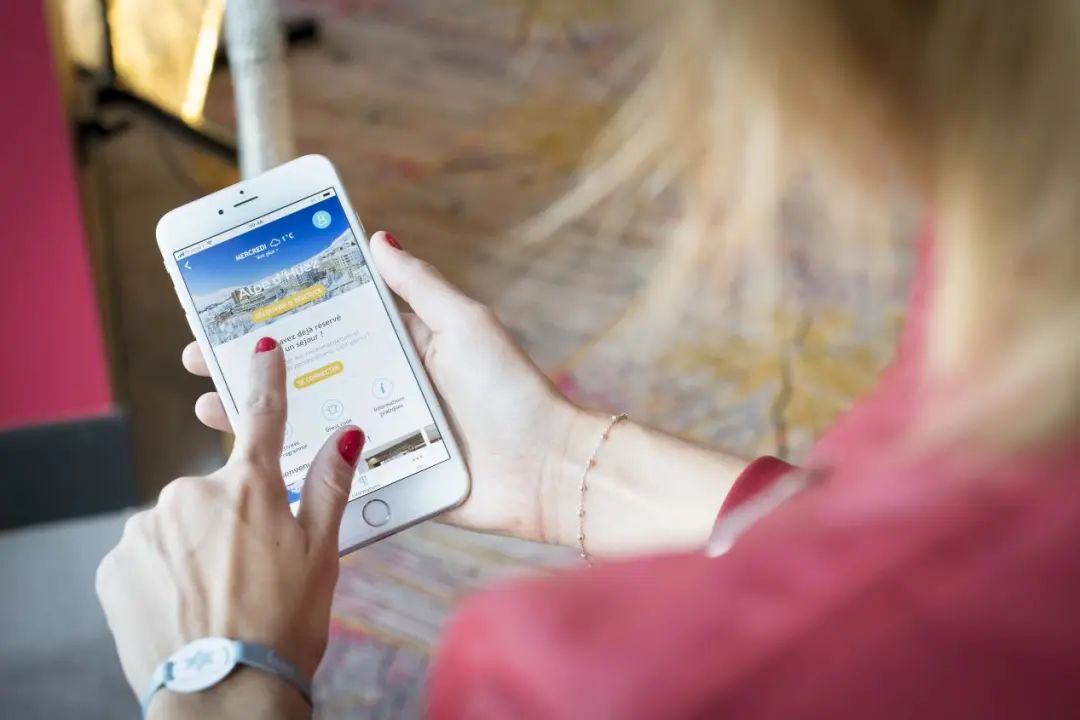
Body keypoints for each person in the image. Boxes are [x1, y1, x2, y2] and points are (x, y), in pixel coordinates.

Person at [97, 2, 1080, 718]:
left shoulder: (600, 686)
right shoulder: (1024, 288)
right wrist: (560, 464)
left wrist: (221, 685)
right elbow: (887, 533)